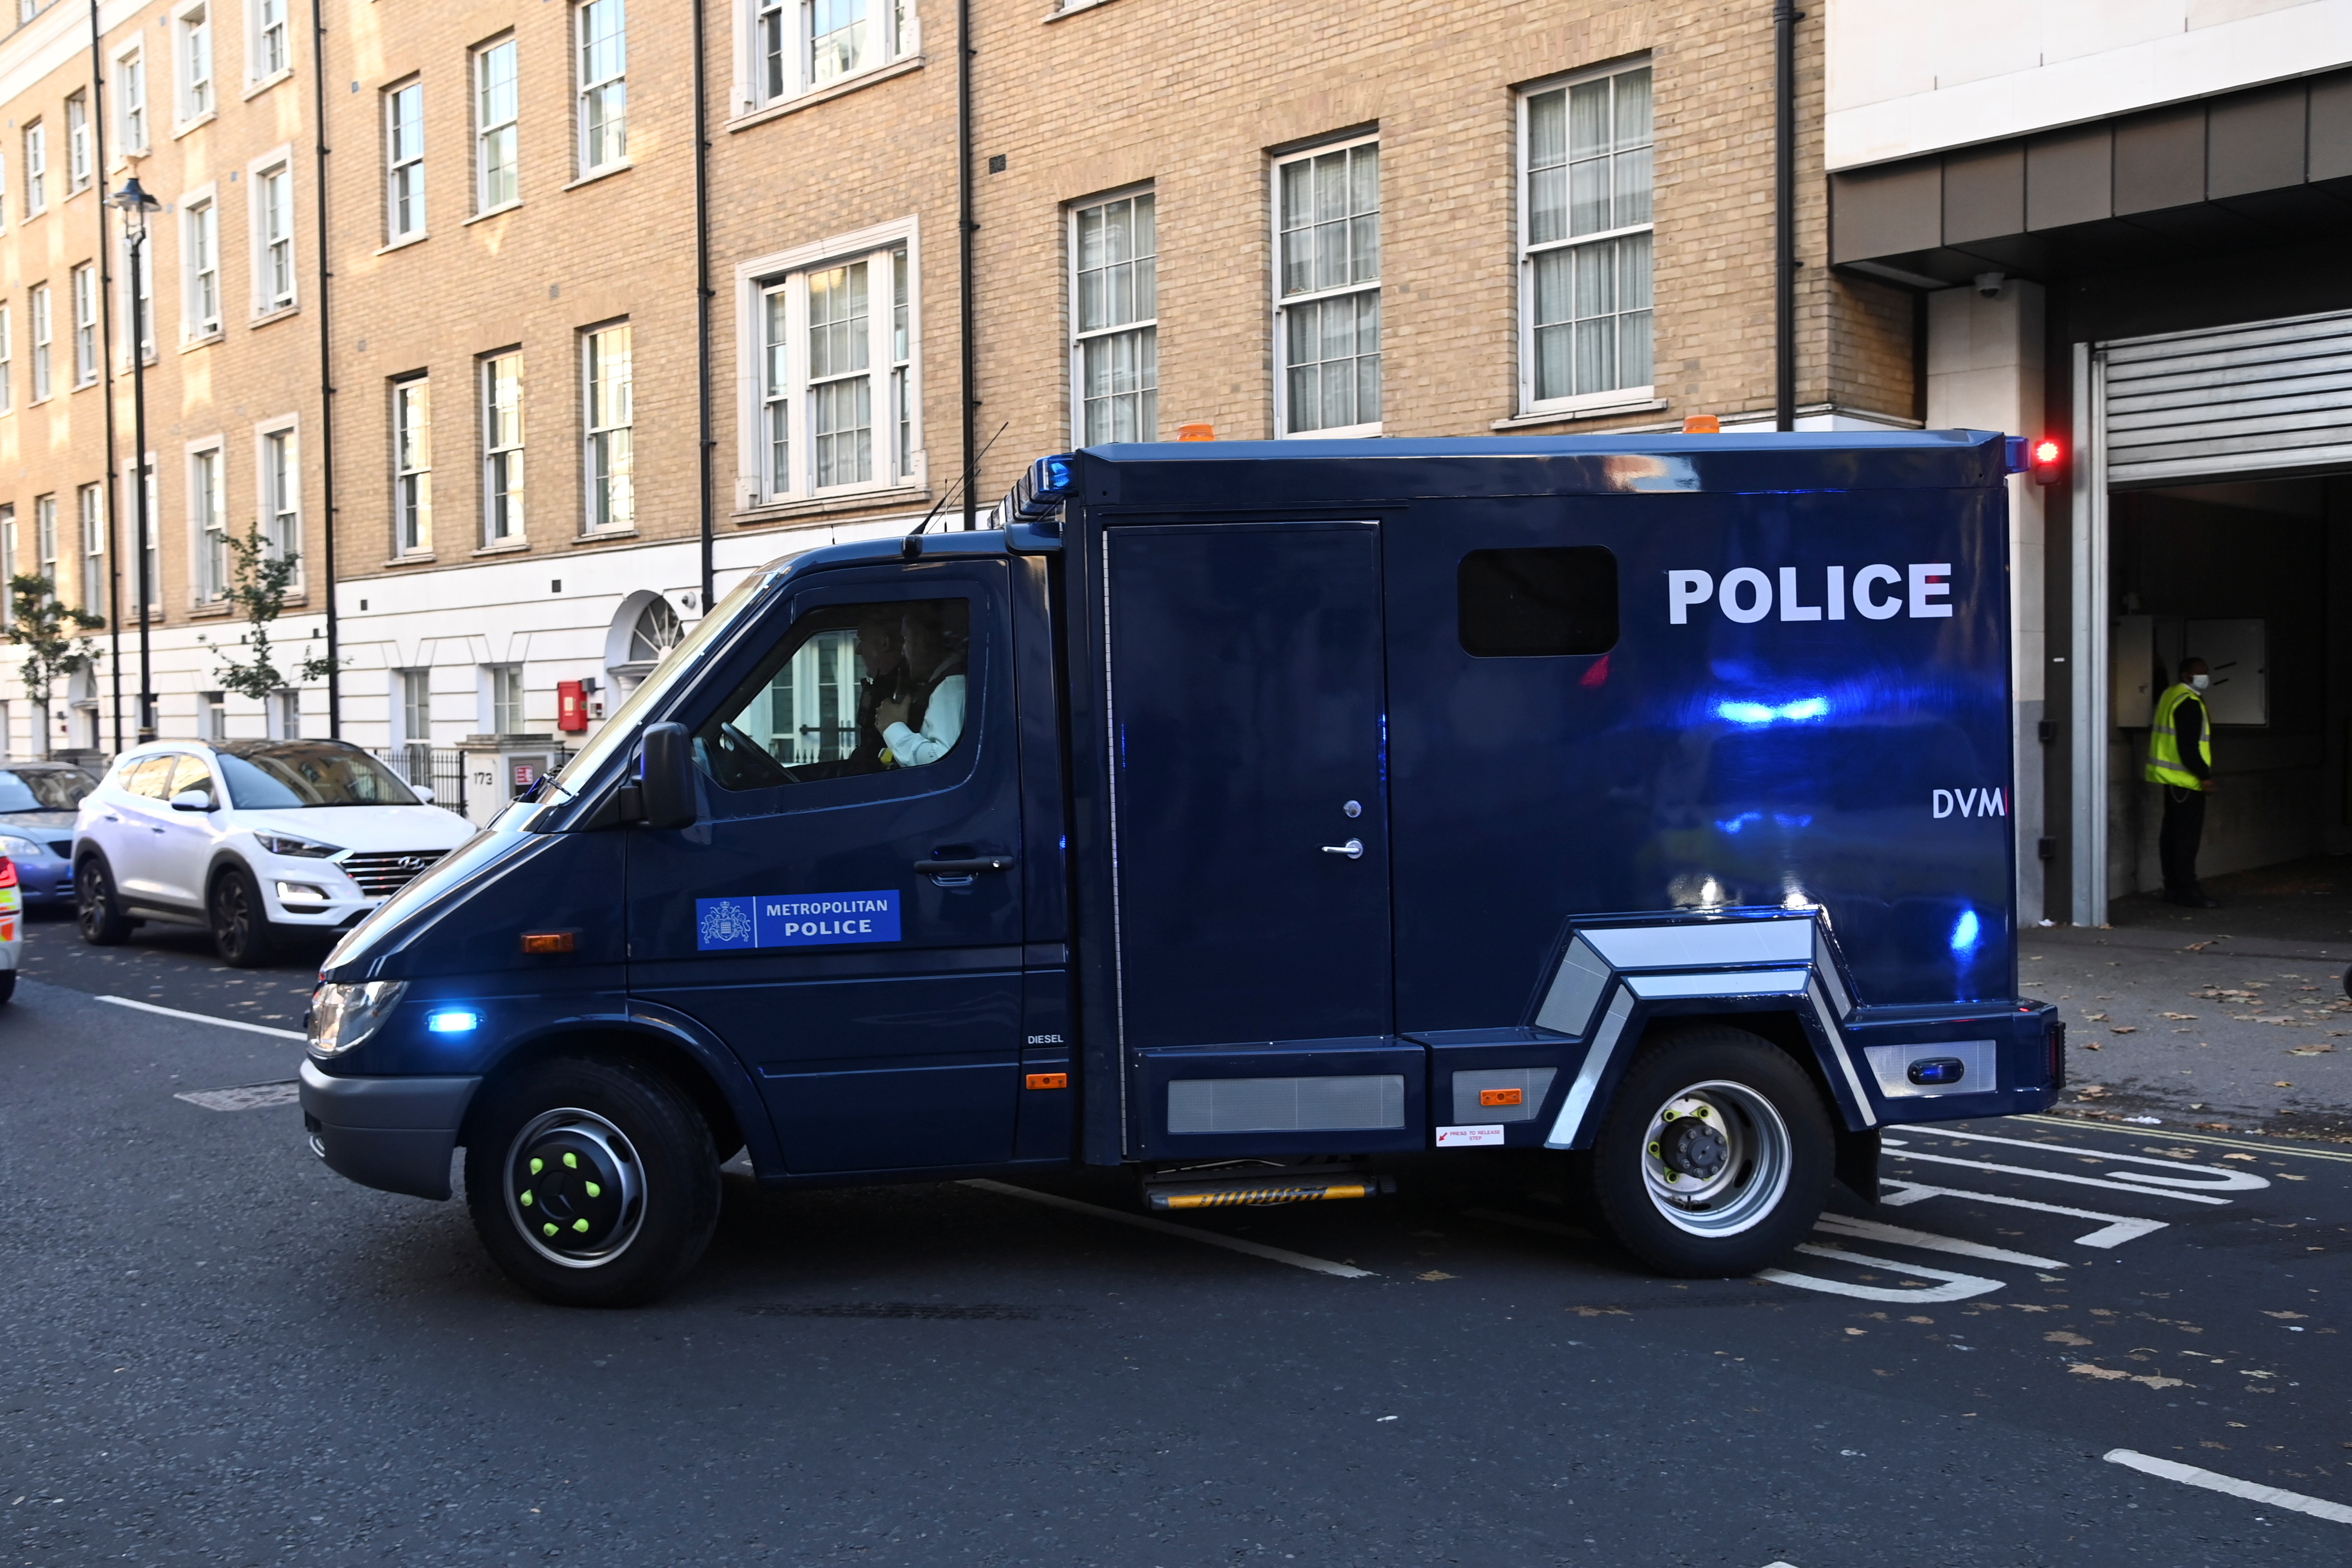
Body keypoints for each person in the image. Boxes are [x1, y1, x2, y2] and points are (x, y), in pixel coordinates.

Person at [2146, 656, 2218, 909]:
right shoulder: (2188, 703)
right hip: (2186, 782)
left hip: (2172, 782)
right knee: (2186, 839)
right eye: (2200, 673)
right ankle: (2189, 890)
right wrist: (2205, 777)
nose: (2204, 677)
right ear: (2187, 675)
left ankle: (2173, 888)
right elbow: (2189, 748)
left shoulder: (2170, 695)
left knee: (2171, 836)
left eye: (2206, 672)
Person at [875, 603, 967, 767]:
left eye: (905, 639)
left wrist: (893, 727)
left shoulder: (951, 687)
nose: (903, 651)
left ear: (922, 639)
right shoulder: (944, 683)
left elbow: (941, 760)